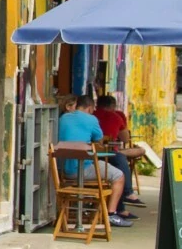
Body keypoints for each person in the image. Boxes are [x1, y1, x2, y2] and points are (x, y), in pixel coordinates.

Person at [58, 95, 134, 226]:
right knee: (118, 176)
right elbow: (99, 140)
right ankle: (111, 214)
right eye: (93, 109)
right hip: (81, 169)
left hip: (62, 171)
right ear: (89, 108)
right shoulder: (91, 119)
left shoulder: (63, 118)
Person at [95, 93, 148, 208]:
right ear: (112, 106)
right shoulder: (116, 116)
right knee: (128, 154)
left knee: (119, 157)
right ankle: (127, 193)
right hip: (108, 154)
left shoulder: (91, 116)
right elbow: (125, 139)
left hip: (90, 154)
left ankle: (122, 205)